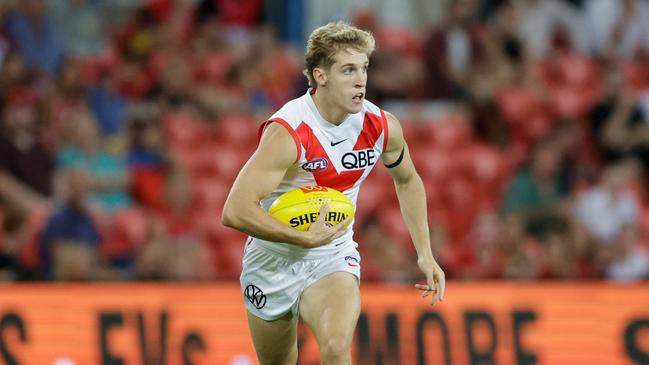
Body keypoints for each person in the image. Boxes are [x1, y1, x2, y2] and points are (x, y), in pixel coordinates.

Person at [222, 21, 445, 365]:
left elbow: (408, 180)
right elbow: (234, 211)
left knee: (337, 345)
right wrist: (299, 238)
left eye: (364, 68)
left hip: (332, 254)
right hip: (271, 261)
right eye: (348, 70)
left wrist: (425, 253)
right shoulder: (289, 132)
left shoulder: (381, 126)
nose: (361, 80)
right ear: (320, 76)